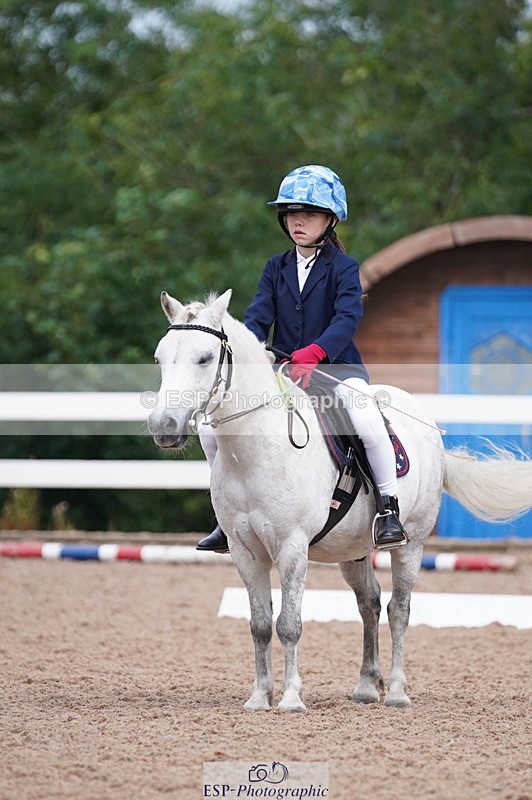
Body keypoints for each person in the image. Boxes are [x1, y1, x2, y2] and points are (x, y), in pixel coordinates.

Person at [196, 164, 407, 553]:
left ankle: (388, 506)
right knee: (211, 428)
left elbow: (347, 319)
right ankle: (226, 516)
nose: (298, 221)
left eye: (308, 213)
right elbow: (258, 319)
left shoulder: (345, 268)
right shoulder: (274, 267)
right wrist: (248, 353)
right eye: (292, 213)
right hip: (281, 371)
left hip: (336, 367)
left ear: (329, 219)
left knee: (365, 418)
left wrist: (316, 351)